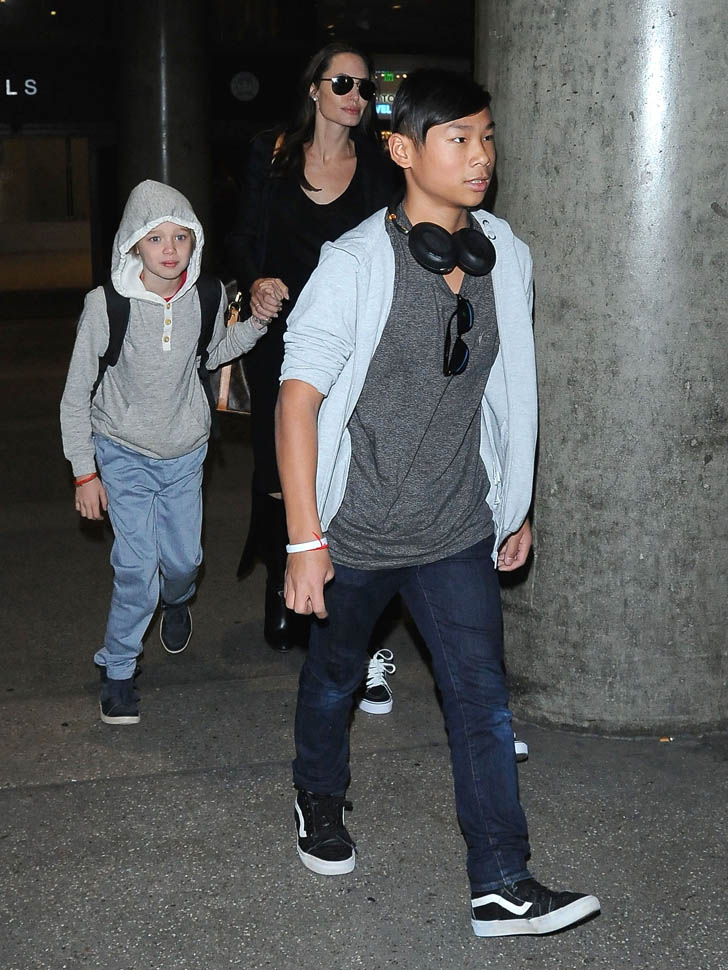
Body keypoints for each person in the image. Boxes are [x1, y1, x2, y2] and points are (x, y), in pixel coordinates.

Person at [275, 70, 599, 936]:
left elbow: (505, 394)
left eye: (486, 136)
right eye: (458, 138)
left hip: (456, 524)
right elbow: (297, 400)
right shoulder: (355, 264)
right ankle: (317, 795)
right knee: (336, 677)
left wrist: (514, 502)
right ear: (402, 149)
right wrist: (305, 540)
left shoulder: (504, 255)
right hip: (357, 530)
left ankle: (501, 881)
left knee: (482, 701)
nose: (480, 155)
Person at [60, 179, 268, 725]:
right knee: (136, 571)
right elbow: (75, 395)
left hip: (186, 453)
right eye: (156, 239)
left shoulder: (207, 294)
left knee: (184, 563)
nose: (170, 250)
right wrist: (85, 474)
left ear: (195, 240)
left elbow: (214, 353)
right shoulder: (105, 305)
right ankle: (118, 670)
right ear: (133, 244)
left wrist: (256, 323)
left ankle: (176, 601)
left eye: (181, 237)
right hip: (122, 451)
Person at [226, 42, 398, 676]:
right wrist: (255, 282)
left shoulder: (379, 165)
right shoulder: (271, 155)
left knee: (347, 462)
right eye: (343, 83)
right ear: (314, 89)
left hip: (351, 339)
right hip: (282, 335)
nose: (356, 97)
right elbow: (241, 237)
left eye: (365, 86)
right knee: (280, 463)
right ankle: (284, 582)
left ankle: (344, 592)